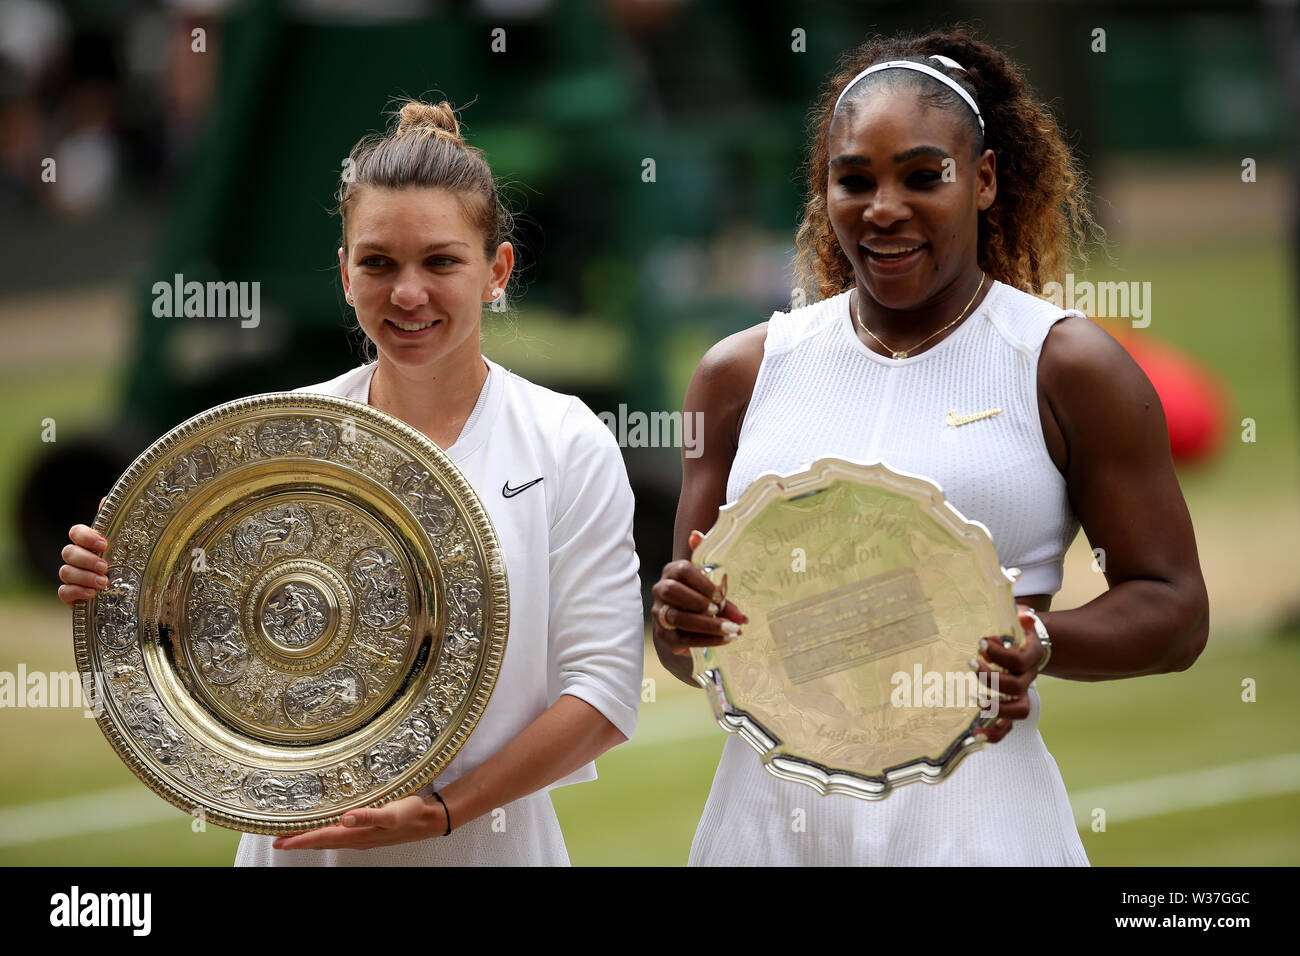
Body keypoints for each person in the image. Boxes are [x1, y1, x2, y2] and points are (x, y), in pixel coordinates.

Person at [651, 28, 1210, 866]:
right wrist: (680, 619)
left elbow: (1175, 607)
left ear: (983, 181)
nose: (883, 208)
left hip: (977, 826)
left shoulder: (1065, 363)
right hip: (765, 828)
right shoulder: (740, 373)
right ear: (825, 190)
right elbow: (690, 655)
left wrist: (1039, 641)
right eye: (854, 180)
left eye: (922, 176)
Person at [58, 100, 645, 866]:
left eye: (440, 262)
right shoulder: (270, 447)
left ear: (496, 271)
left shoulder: (568, 443)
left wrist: (440, 812)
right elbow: (206, 645)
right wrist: (125, 579)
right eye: (378, 263)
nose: (407, 294)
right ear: (343, 274)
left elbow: (603, 692)